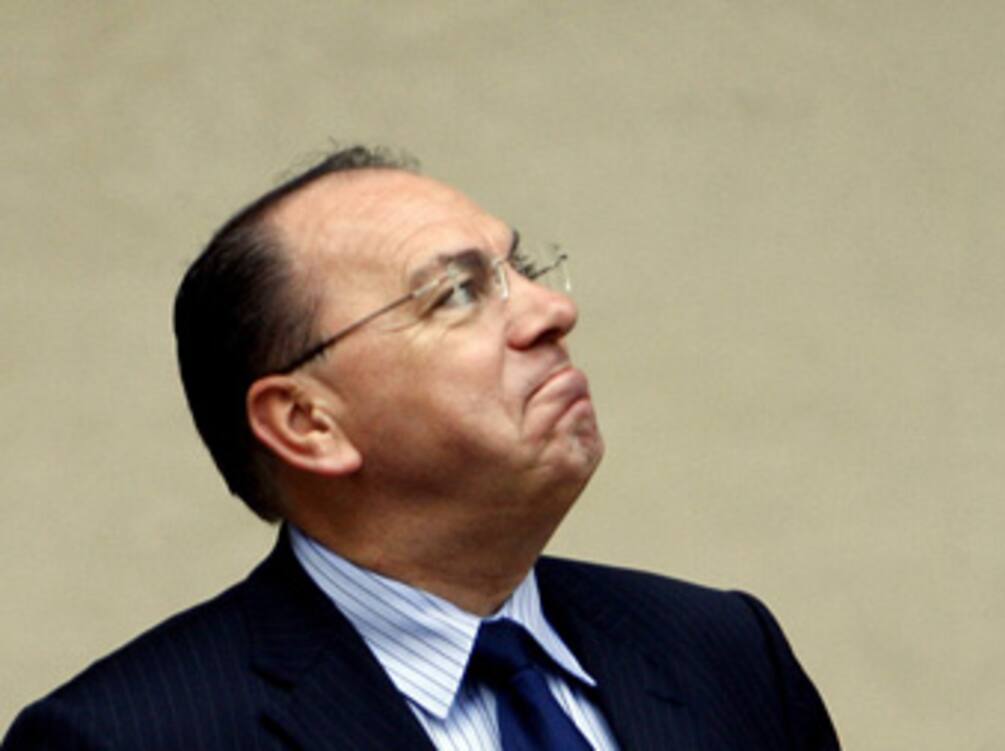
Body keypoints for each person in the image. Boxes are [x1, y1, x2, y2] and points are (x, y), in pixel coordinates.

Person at [2, 147, 839, 750]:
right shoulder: (127, 737)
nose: (551, 311)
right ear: (308, 422)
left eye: (522, 267)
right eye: (457, 292)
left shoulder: (725, 651)